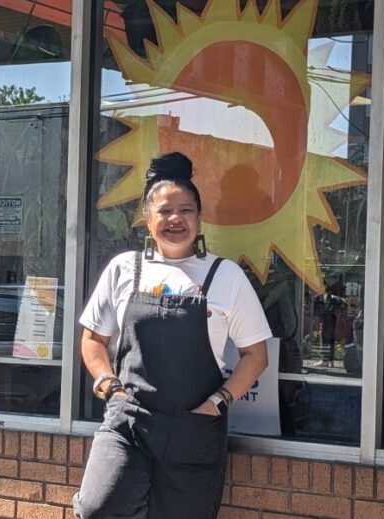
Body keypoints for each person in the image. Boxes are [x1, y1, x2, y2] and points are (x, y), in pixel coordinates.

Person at [74, 152, 272, 518]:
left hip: (193, 431)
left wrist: (218, 402)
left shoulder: (226, 276)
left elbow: (256, 355)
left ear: (199, 218)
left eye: (186, 210)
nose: (175, 218)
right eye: (165, 210)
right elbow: (92, 339)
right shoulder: (123, 269)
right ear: (148, 219)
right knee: (97, 506)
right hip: (128, 421)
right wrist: (109, 386)